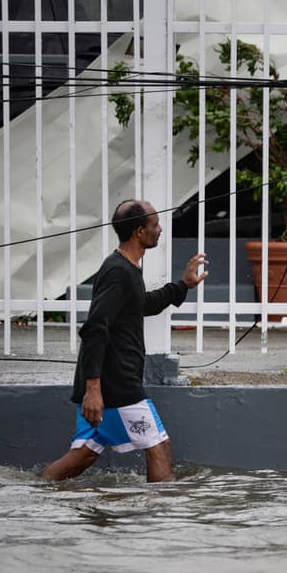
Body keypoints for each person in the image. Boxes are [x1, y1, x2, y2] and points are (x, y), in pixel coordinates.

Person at [40, 199, 207, 483]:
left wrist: (183, 286)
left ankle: (35, 491)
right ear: (139, 231)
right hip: (115, 383)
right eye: (155, 225)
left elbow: (142, 304)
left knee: (84, 454)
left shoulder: (127, 267)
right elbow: (95, 328)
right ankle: (160, 518)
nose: (160, 229)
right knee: (159, 447)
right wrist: (94, 390)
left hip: (104, 381)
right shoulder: (118, 272)